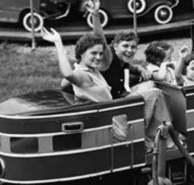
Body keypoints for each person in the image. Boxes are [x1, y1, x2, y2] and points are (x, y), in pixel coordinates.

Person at [41, 27, 170, 148]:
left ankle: (154, 140)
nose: (98, 57)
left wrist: (95, 13)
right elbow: (68, 74)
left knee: (154, 93)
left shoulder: (94, 69)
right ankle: (165, 142)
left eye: (100, 54)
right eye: (93, 53)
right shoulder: (83, 75)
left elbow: (102, 41)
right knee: (155, 94)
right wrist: (58, 42)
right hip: (112, 126)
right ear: (81, 54)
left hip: (113, 115)